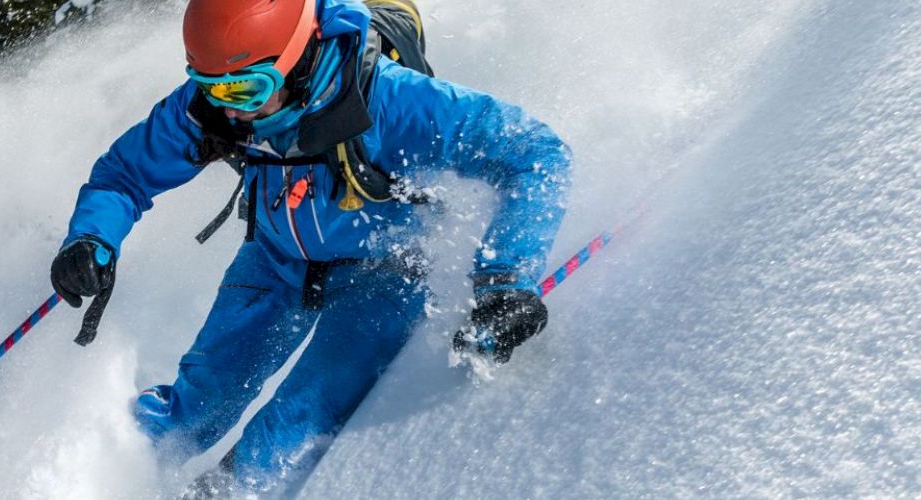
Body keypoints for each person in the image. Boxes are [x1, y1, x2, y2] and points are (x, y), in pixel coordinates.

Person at [47, 0, 570, 497]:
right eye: (210, 89)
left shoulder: (388, 101)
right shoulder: (212, 109)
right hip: (275, 260)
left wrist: (506, 278)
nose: (229, 112)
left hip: (384, 271)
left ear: (296, 57)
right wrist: (92, 238)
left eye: (244, 91)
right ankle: (87, 479)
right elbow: (123, 174)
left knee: (285, 431)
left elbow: (534, 152)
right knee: (194, 409)